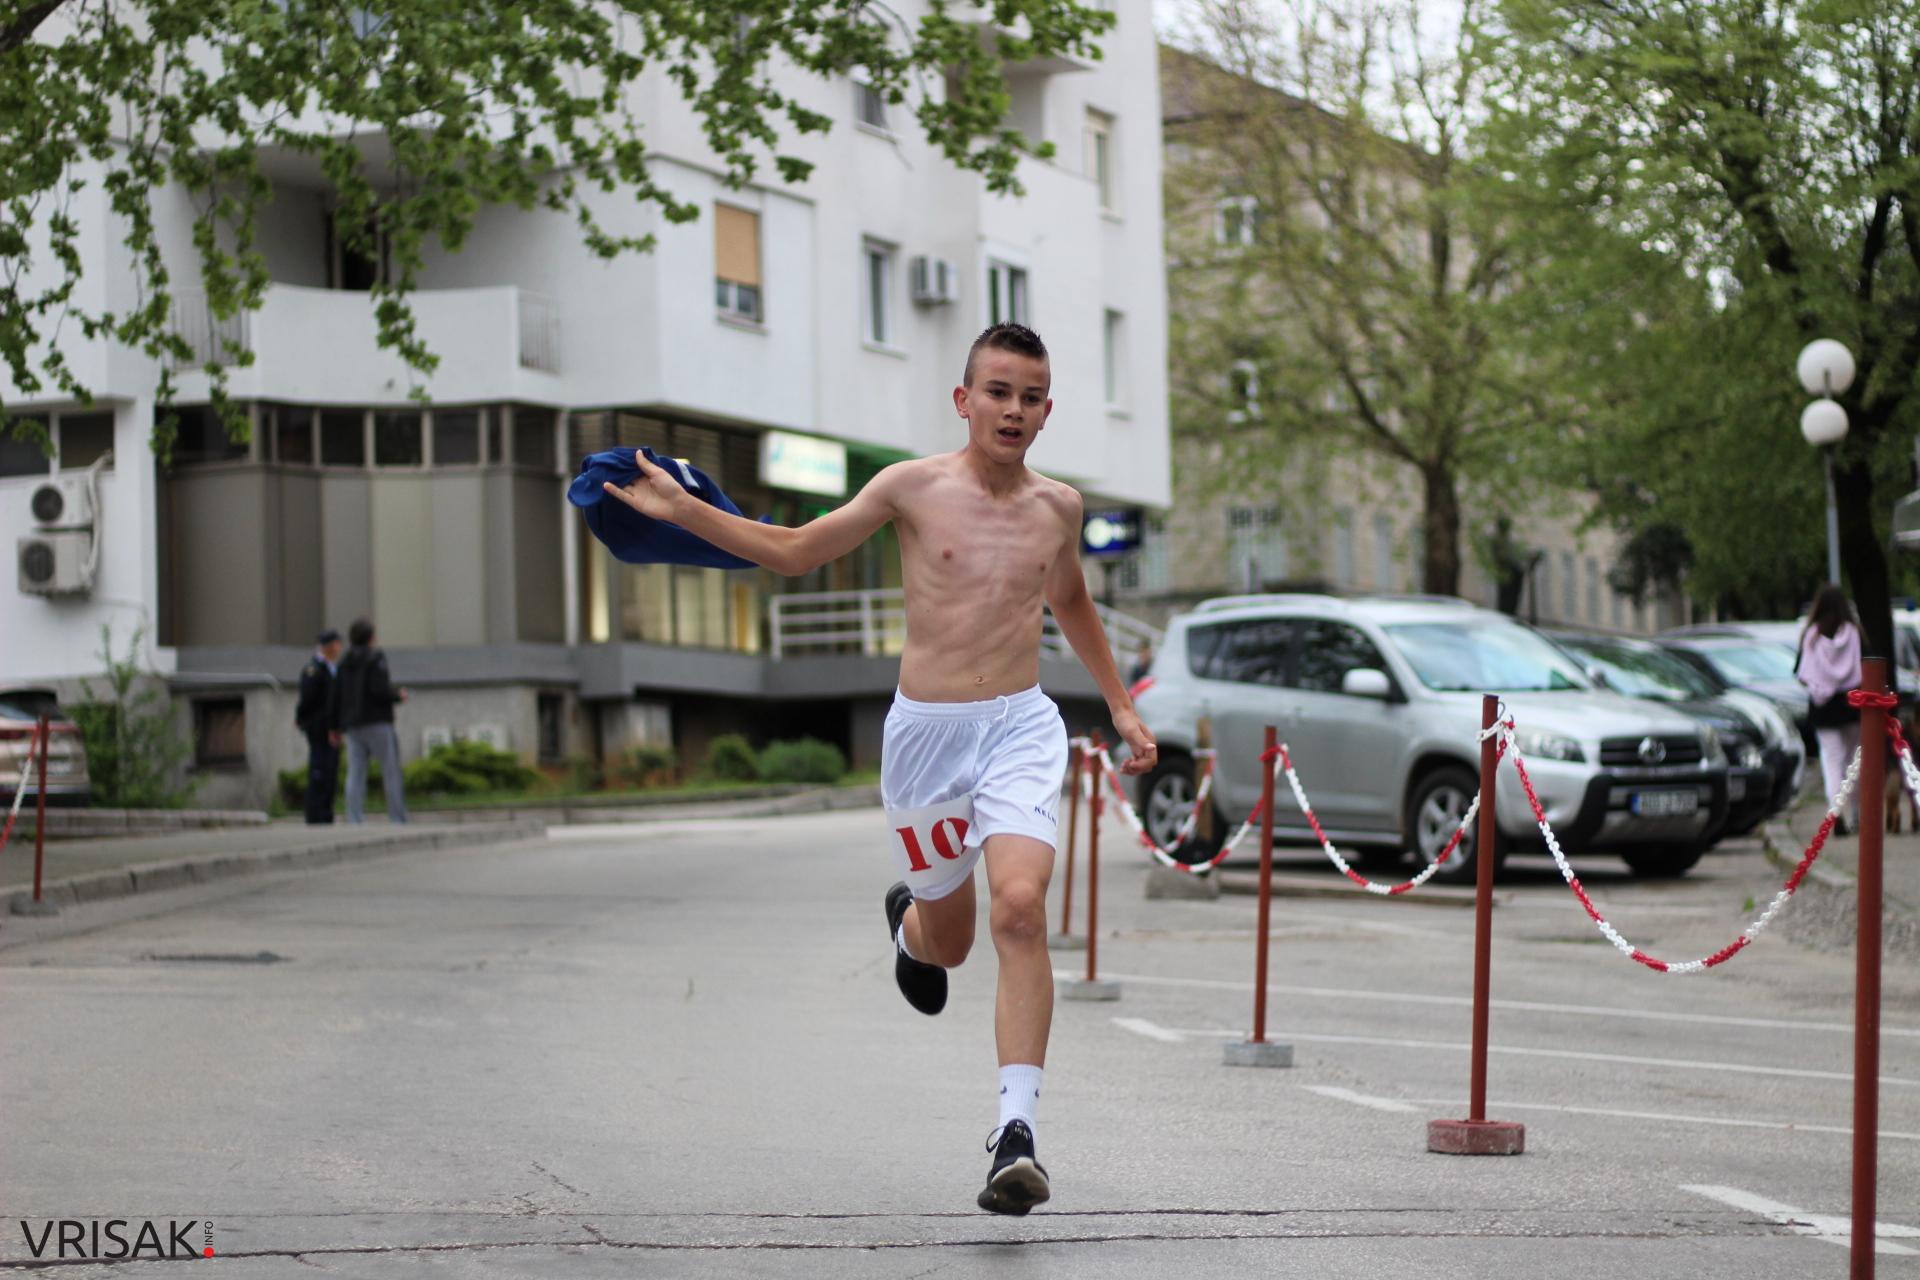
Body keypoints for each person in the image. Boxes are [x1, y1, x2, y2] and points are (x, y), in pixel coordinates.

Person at [601, 322, 1157, 1215]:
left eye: (1031, 396)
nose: (1013, 410)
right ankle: (909, 926)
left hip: (1019, 725)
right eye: (999, 391)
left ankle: (1016, 1134)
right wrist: (684, 511)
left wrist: (1120, 704)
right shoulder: (910, 488)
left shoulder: (1059, 508)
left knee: (1019, 909)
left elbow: (1072, 603)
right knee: (954, 940)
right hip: (927, 739)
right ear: (964, 398)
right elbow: (795, 551)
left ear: (1048, 409)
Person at [1797, 584, 1862, 834]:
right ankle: (1856, 814)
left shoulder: (1812, 636)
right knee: (1853, 762)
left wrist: (1823, 683)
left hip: (1823, 709)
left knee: (1832, 761)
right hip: (1852, 705)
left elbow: (1802, 673)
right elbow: (1865, 666)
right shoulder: (1854, 634)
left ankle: (1835, 812)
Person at [334, 618, 409, 825]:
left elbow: (337, 695)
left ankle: (354, 817)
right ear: (370, 638)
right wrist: (397, 695)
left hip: (353, 725)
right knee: (390, 770)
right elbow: (379, 689)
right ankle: (397, 817)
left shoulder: (344, 661)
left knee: (356, 772)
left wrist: (336, 725)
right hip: (377, 721)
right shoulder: (375, 658)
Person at [294, 629, 344, 824]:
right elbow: (308, 700)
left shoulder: (332, 668)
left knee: (330, 771)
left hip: (332, 728)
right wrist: (301, 719)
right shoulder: (314, 669)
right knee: (319, 771)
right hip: (318, 728)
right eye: (337, 643)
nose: (339, 648)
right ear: (329, 646)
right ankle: (315, 815)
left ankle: (326, 813)